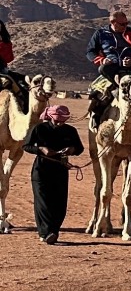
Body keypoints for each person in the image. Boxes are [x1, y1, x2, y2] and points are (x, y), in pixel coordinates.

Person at [25, 102, 84, 244]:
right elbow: (26, 146)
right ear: (50, 117)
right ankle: (46, 233)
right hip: (41, 169)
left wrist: (72, 150)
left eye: (63, 121)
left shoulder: (70, 131)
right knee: (43, 202)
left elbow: (80, 148)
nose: (59, 123)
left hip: (61, 169)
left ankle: (53, 231)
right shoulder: (39, 129)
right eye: (57, 120)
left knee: (59, 203)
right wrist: (41, 150)